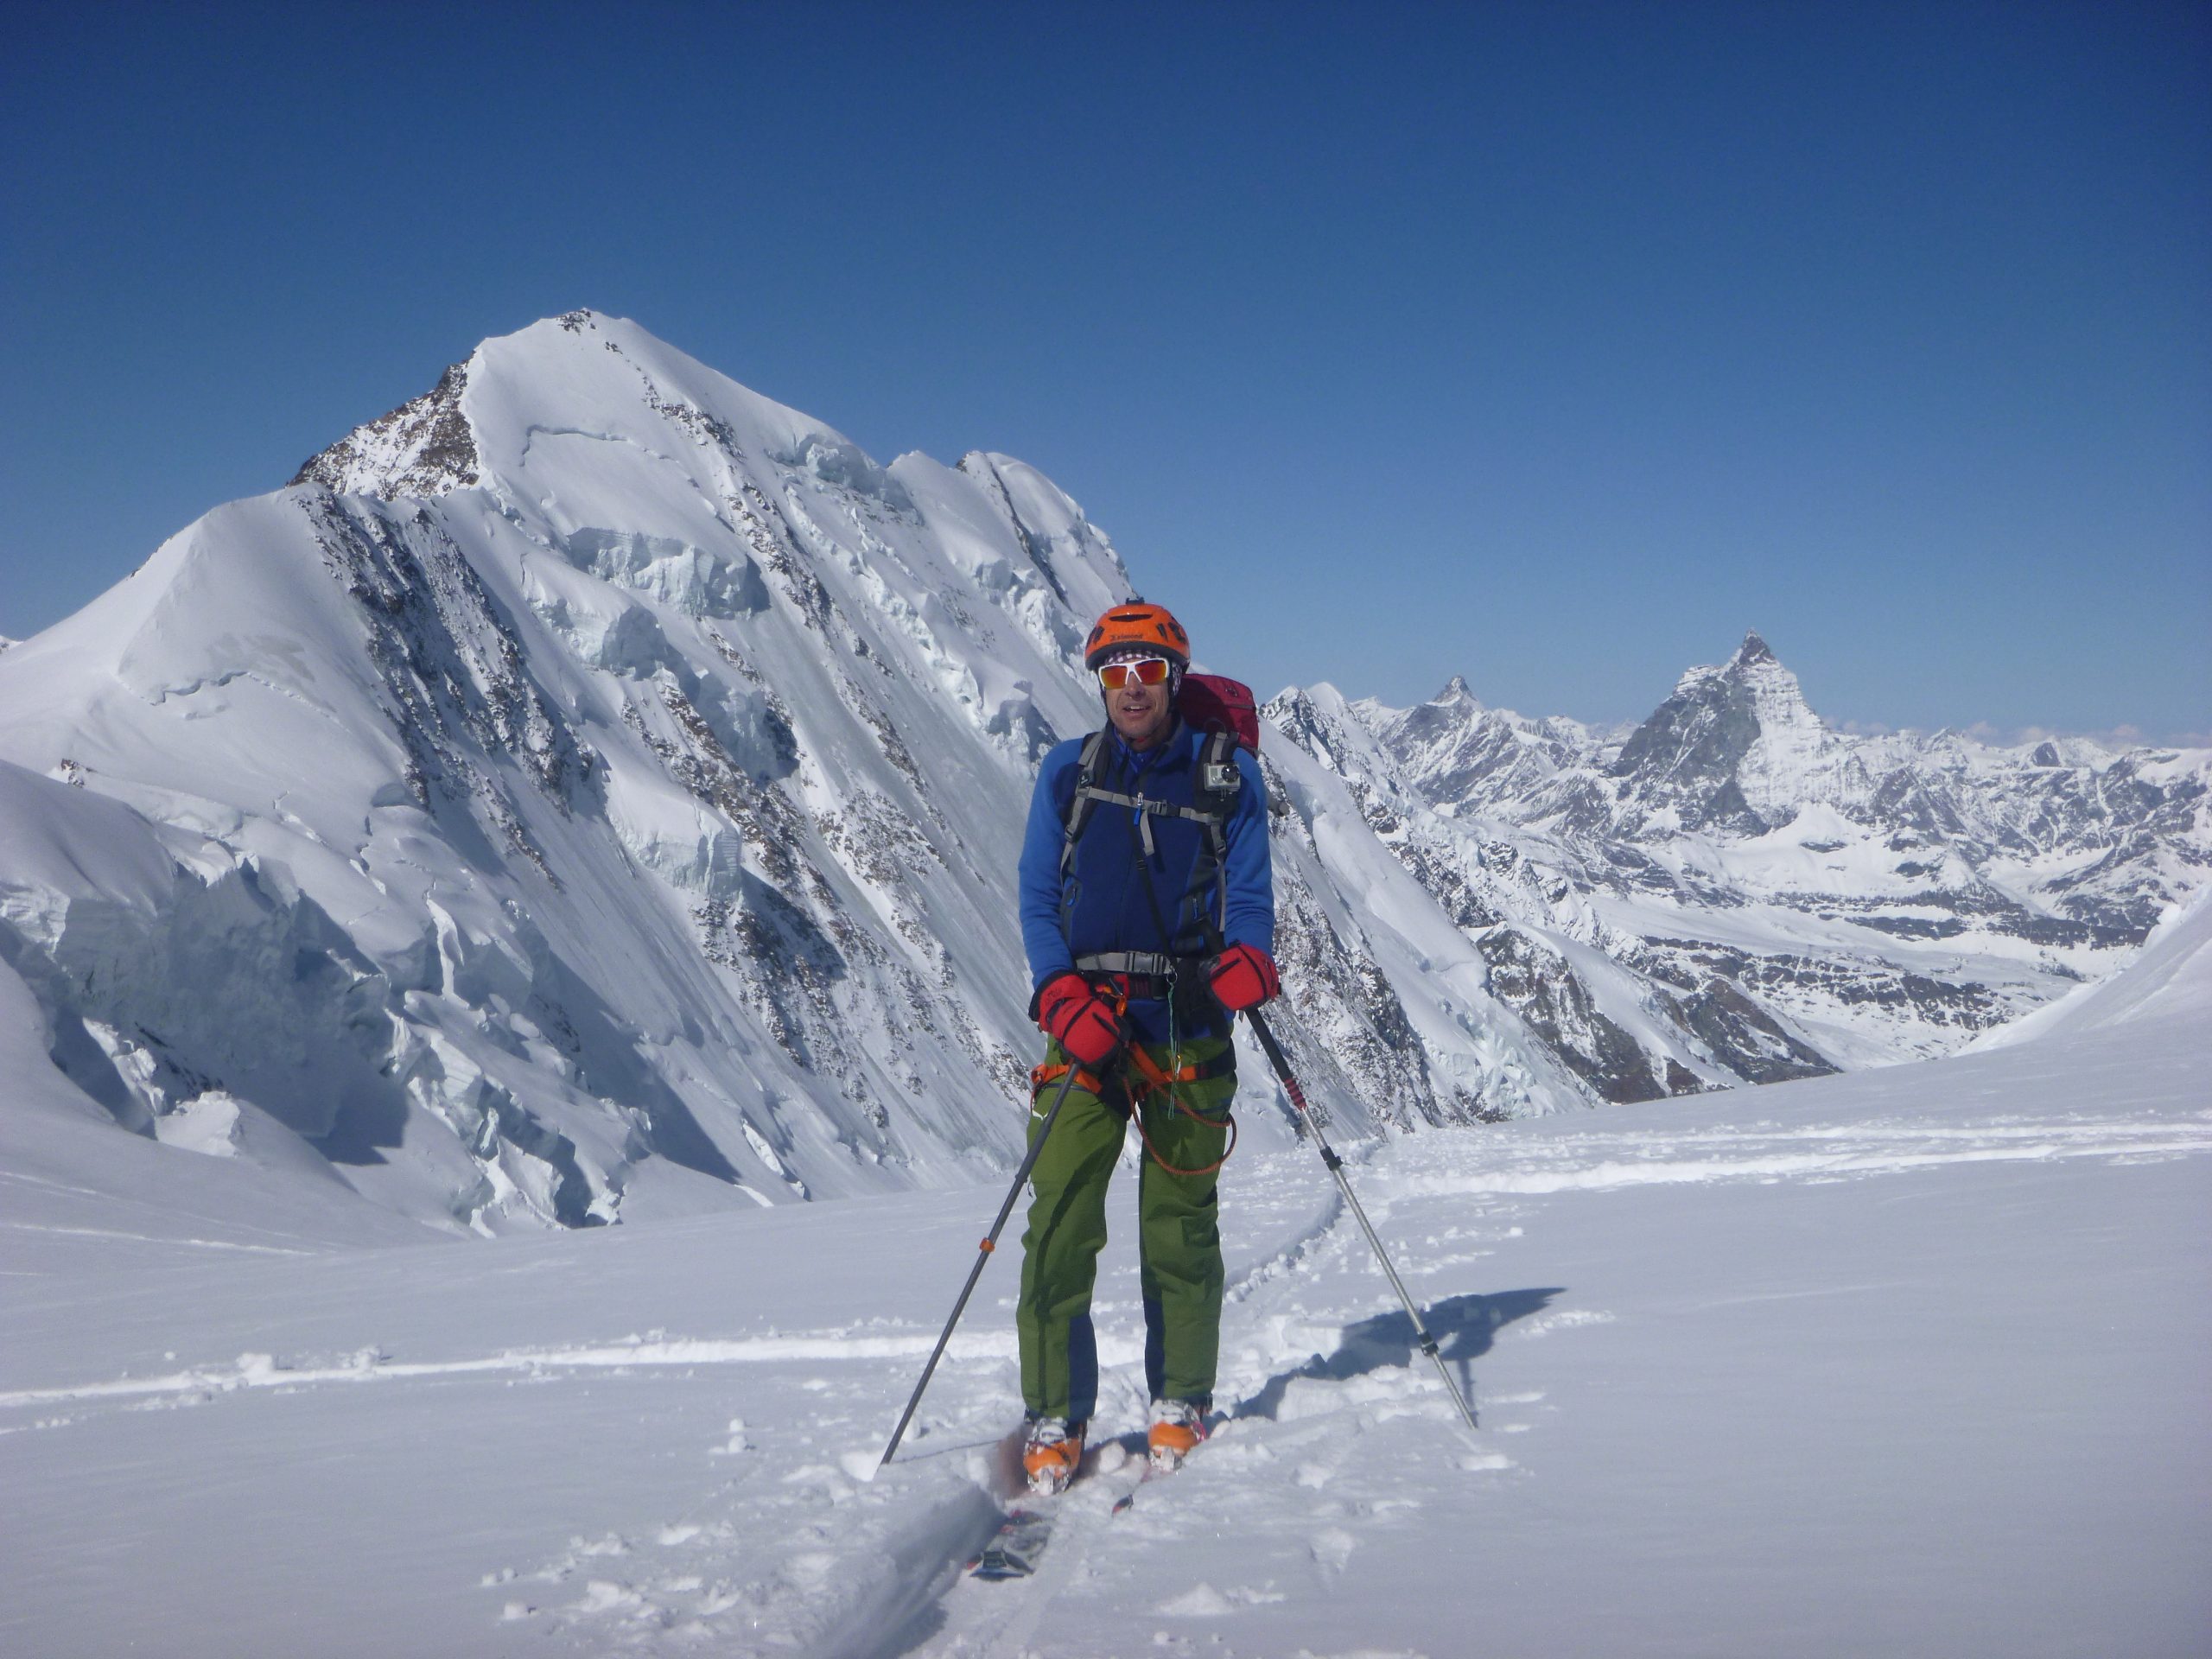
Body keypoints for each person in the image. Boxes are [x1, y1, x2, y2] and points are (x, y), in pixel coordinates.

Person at [1013, 601, 1281, 1494]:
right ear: (1098, 680)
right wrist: (1056, 990)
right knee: (1056, 1224)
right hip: (1084, 1020)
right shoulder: (1066, 773)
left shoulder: (1225, 776)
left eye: (1148, 671)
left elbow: (1248, 892)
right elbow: (1037, 898)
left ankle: (1181, 1397)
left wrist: (1251, 957)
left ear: (1173, 676)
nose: (1131, 689)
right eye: (1115, 673)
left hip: (1185, 1019)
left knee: (1178, 1224)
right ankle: (1055, 1407)